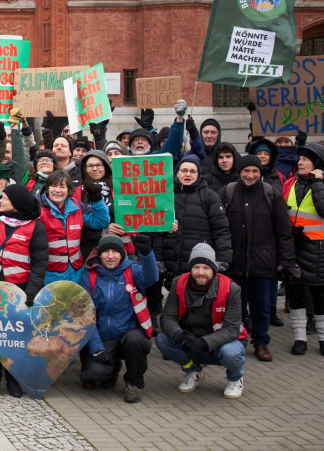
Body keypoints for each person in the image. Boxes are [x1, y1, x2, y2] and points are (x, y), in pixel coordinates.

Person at [220, 154, 298, 361]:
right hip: (234, 263)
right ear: (240, 172)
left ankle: (261, 343)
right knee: (236, 306)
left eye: (255, 171)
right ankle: (239, 339)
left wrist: (286, 260)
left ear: (260, 173)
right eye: (246, 171)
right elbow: (217, 226)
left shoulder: (272, 195)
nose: (251, 175)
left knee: (262, 306)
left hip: (263, 263)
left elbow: (284, 232)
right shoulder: (227, 193)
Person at [0, 183, 46, 397]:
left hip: (20, 290)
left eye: (4, 198)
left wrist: (31, 293)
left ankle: (13, 378)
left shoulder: (35, 227)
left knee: (16, 337)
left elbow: (40, 263)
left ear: (16, 204)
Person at [157, 243, 247, 399]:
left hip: (221, 343)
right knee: (162, 340)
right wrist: (181, 336)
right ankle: (193, 370)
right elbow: (167, 318)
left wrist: (204, 342)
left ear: (214, 269)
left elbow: (232, 329)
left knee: (231, 353)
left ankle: (235, 378)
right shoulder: (178, 283)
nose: (200, 273)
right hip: (190, 340)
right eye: (196, 267)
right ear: (190, 268)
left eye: (206, 268)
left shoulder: (231, 288)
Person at [78, 232, 159, 403]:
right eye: (106, 252)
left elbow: (151, 278)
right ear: (99, 255)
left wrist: (146, 253)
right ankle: (113, 368)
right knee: (92, 375)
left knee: (134, 341)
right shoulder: (89, 276)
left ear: (122, 255)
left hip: (130, 334)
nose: (110, 256)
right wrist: (96, 347)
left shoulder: (133, 271)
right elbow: (85, 315)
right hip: (104, 338)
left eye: (115, 252)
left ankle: (134, 383)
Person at [165, 155, 232, 292]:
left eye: (192, 171)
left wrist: (223, 258)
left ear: (198, 174)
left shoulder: (210, 197)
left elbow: (221, 230)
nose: (188, 174)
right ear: (177, 173)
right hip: (172, 260)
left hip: (200, 263)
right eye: (184, 170)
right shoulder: (166, 195)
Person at [284, 142, 324, 355]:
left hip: (317, 249)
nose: (300, 162)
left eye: (306, 159)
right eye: (299, 159)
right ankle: (300, 339)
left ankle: (323, 338)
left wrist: (318, 182)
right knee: (296, 294)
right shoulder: (291, 184)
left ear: (316, 163)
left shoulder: (321, 184)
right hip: (294, 248)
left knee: (320, 296)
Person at [39, 170, 109, 283]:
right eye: (53, 186)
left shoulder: (76, 206)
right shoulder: (38, 209)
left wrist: (95, 198)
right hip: (50, 274)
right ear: (47, 188)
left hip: (77, 271)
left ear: (69, 190)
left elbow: (101, 221)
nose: (57, 190)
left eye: (62, 187)